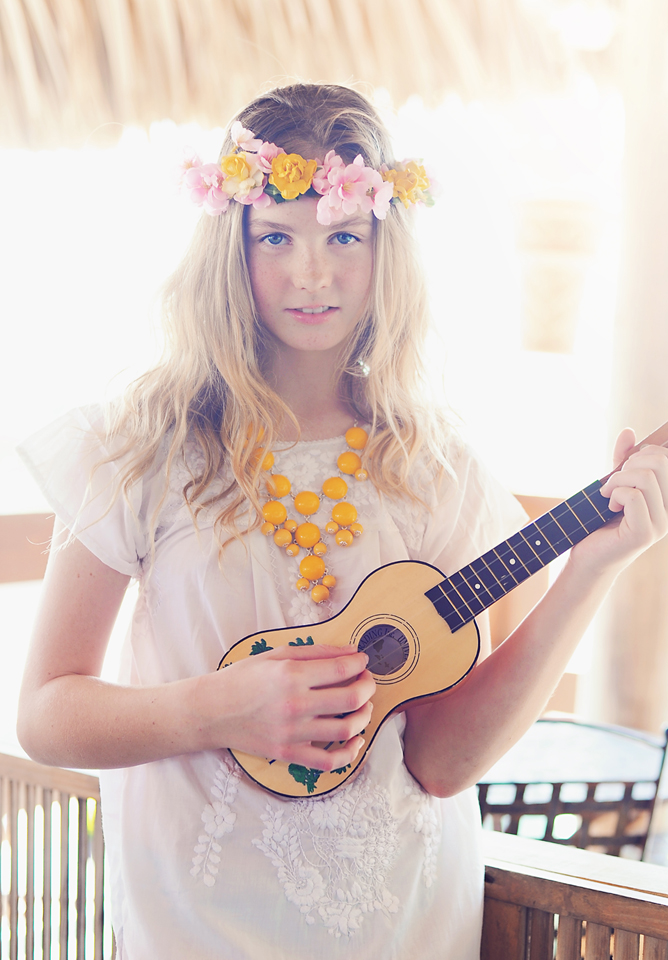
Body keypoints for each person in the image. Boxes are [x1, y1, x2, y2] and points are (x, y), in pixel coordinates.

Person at [16, 83, 668, 960]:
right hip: (198, 921)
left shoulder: (436, 468)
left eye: (343, 237)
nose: (311, 273)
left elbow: (439, 762)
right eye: (276, 236)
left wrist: (595, 568)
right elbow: (48, 713)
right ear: (230, 245)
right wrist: (214, 710)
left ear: (383, 249)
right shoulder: (143, 445)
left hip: (402, 920)